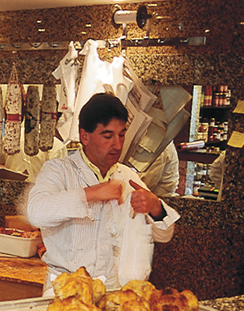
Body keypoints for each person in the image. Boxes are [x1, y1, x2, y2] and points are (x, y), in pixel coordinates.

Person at [25, 93, 180, 292]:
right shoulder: (58, 170)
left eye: (121, 135)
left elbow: (164, 235)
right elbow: (36, 212)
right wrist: (91, 193)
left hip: (114, 292)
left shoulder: (127, 177)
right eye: (108, 136)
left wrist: (156, 208)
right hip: (65, 290)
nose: (117, 144)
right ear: (85, 136)